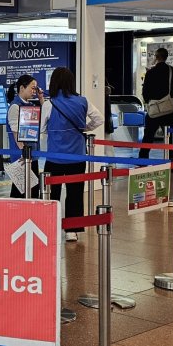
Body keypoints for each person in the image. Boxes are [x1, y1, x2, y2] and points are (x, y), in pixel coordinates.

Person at [41, 67, 105, 241]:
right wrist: (84, 128)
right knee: (75, 193)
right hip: (77, 156)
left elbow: (42, 129)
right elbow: (99, 119)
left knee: (50, 193)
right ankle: (72, 231)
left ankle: (48, 227)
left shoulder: (49, 103)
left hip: (54, 157)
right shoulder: (83, 101)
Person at [138, 47, 173, 158]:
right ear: (166, 57)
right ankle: (170, 159)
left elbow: (145, 91)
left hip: (154, 109)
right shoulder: (172, 71)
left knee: (148, 135)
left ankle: (143, 159)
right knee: (170, 136)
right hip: (169, 109)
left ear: (156, 57)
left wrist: (148, 102)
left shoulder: (150, 72)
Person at [5, 74, 41, 197]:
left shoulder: (30, 106)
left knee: (33, 192)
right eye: (32, 88)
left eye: (35, 88)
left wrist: (41, 98)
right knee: (20, 194)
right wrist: (24, 152)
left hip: (32, 155)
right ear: (22, 88)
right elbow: (16, 133)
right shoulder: (15, 107)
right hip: (22, 158)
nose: (34, 91)